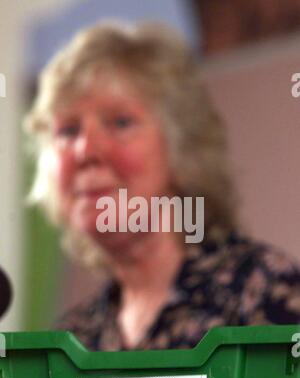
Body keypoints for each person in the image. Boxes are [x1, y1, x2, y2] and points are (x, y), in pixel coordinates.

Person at [24, 20, 300, 351]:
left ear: (183, 148)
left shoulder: (259, 287)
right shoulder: (72, 337)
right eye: (68, 130)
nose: (85, 150)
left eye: (120, 122)